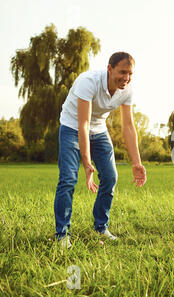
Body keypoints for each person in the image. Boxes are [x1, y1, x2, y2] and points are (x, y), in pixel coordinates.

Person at [54, 52, 147, 249]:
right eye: (122, 72)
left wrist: (136, 162)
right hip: (72, 127)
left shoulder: (127, 90)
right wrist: (87, 162)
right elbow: (83, 123)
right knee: (69, 178)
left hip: (98, 130)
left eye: (130, 74)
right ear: (109, 68)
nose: (126, 78)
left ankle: (100, 227)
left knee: (110, 177)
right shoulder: (88, 81)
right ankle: (62, 234)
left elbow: (128, 126)